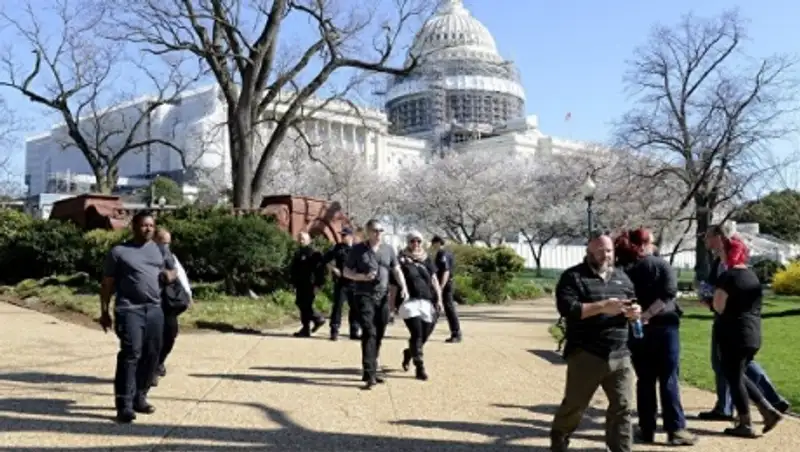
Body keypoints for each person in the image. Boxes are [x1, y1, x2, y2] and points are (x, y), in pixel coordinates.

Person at [550, 234, 640, 452]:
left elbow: (632, 303)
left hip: (620, 353)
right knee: (575, 405)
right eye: (600, 251)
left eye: (608, 251)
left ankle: (620, 448)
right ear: (589, 251)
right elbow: (568, 309)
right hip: (586, 353)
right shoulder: (573, 277)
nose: (605, 255)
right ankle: (560, 436)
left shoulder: (622, 278)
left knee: (623, 407)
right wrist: (601, 306)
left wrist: (634, 313)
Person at [698, 225, 790, 420]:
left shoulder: (731, 270)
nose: (705, 241)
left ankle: (741, 410)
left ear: (719, 238)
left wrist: (710, 301)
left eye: (708, 237)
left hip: (732, 324)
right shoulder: (728, 266)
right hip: (746, 326)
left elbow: (723, 300)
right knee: (734, 367)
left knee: (732, 367)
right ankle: (761, 405)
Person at [614, 229, 696, 446]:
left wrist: (639, 316)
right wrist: (649, 314)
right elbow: (668, 294)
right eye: (651, 242)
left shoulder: (624, 269)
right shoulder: (661, 265)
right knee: (668, 377)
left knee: (645, 380)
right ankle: (675, 428)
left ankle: (646, 427)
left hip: (637, 329)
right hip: (664, 326)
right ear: (644, 245)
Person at [99, 211, 176, 423]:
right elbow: (107, 284)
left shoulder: (160, 250)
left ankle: (140, 396)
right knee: (131, 353)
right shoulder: (119, 252)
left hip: (155, 310)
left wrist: (170, 276)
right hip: (129, 309)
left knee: (152, 354)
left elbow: (173, 270)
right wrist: (104, 311)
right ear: (133, 227)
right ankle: (124, 404)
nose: (148, 229)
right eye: (144, 225)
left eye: (151, 225)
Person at [712, 237, 783, 437]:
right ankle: (767, 410)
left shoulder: (728, 277)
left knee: (733, 376)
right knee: (737, 374)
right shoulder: (752, 276)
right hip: (752, 332)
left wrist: (709, 301)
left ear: (728, 253)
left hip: (733, 332)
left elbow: (719, 306)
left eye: (722, 252)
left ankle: (747, 422)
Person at [344, 219, 410, 390]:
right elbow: (346, 271)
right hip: (364, 295)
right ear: (367, 232)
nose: (378, 233)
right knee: (369, 331)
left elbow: (396, 269)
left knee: (379, 332)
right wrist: (360, 277)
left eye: (381, 230)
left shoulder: (388, 249)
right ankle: (370, 372)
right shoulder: (357, 250)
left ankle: (370, 367)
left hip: (383, 297)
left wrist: (404, 287)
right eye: (375, 230)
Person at [396, 231, 444, 381]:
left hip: (427, 300)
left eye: (418, 241)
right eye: (412, 241)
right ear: (408, 242)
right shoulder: (401, 259)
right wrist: (392, 305)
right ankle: (420, 367)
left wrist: (440, 299)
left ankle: (409, 353)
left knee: (425, 334)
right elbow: (393, 283)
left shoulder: (426, 259)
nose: (415, 244)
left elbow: (434, 279)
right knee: (417, 333)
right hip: (409, 301)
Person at [152, 228, 193, 387]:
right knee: (153, 337)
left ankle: (160, 362)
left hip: (168, 302)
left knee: (170, 334)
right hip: (152, 301)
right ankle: (152, 370)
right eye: (162, 242)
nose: (165, 246)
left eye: (168, 243)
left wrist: (188, 294)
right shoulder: (147, 255)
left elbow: (180, 274)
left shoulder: (171, 257)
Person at [322, 227, 360, 341]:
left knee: (355, 308)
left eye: (344, 235)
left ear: (350, 236)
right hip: (341, 283)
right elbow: (325, 259)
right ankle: (334, 331)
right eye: (341, 235)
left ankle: (354, 331)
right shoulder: (337, 248)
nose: (342, 237)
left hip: (355, 282)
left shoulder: (357, 249)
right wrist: (333, 268)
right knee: (337, 307)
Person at [289, 231, 326, 337]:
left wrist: (318, 284)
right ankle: (313, 322)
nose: (301, 241)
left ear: (309, 240)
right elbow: (294, 269)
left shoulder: (314, 253)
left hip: (310, 284)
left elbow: (320, 270)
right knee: (301, 303)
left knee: (306, 305)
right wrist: (292, 283)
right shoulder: (298, 253)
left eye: (303, 239)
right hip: (300, 283)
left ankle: (314, 321)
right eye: (299, 239)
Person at [430, 235, 461, 343]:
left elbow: (446, 271)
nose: (432, 245)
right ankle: (427, 330)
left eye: (433, 243)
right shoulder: (446, 253)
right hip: (444, 284)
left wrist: (441, 287)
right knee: (437, 308)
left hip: (445, 285)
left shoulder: (442, 254)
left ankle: (456, 333)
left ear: (438, 243)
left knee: (449, 308)